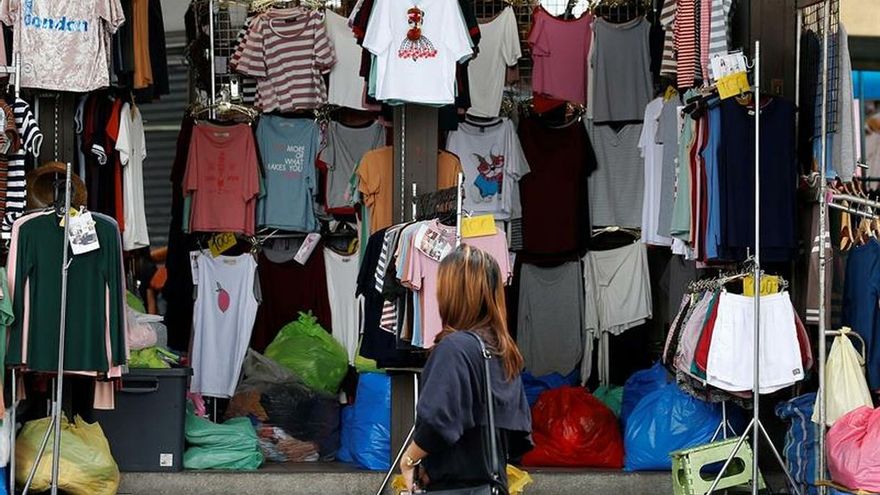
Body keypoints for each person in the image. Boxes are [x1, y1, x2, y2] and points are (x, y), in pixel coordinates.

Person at [399, 244, 532, 492]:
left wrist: (409, 460)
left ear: (451, 293)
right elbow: (518, 437)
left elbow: (437, 422)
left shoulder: (454, 349)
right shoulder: (504, 352)